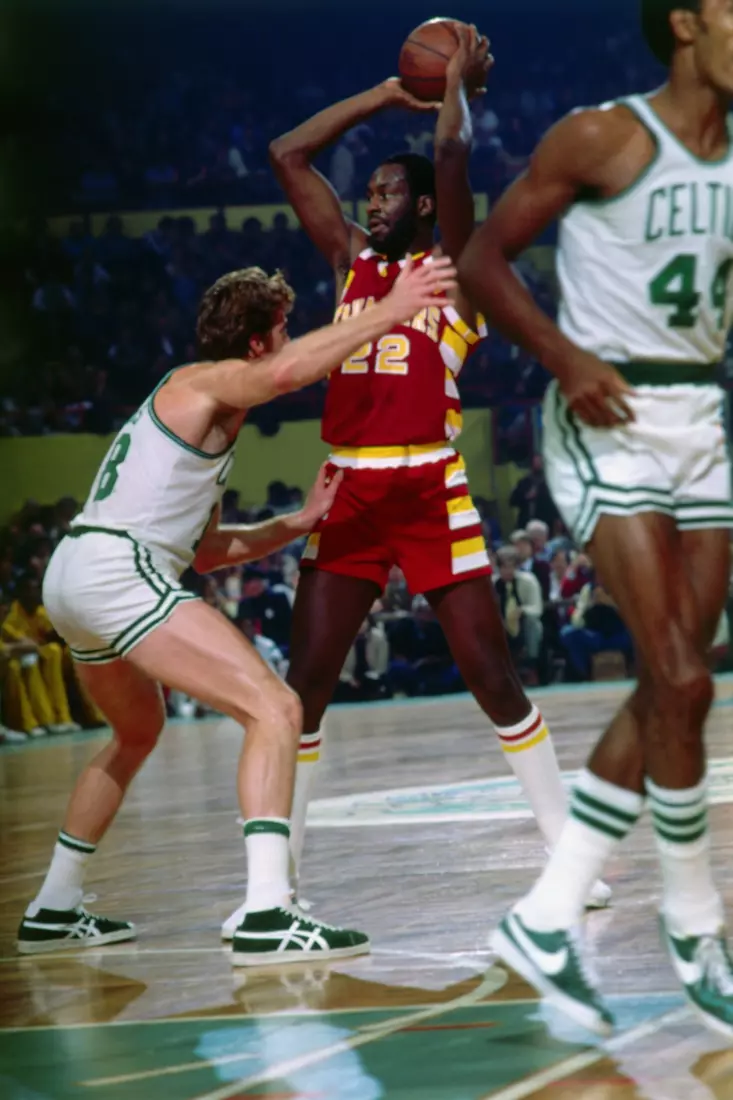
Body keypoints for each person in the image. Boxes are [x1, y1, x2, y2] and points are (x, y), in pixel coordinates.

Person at [222, 25, 609, 939]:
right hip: (351, 492)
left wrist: (451, 91)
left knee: (493, 678)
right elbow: (286, 155)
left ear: (426, 206)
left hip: (430, 488)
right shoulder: (349, 264)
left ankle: (570, 859)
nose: (374, 199)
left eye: (390, 191)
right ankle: (278, 887)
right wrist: (381, 96)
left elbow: (454, 156)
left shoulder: (456, 273)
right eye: (371, 192)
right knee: (302, 690)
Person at [16, 256, 455, 962]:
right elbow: (287, 374)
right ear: (257, 342)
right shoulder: (207, 381)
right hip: (117, 569)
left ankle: (53, 906)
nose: (290, 343)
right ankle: (268, 910)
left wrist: (300, 520)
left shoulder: (208, 415)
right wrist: (391, 310)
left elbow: (210, 552)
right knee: (276, 709)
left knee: (137, 731)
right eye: (284, 330)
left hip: (77, 573)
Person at [459, 0, 733, 1036]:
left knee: (677, 685)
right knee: (680, 676)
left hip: (698, 417)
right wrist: (563, 356)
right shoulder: (602, 134)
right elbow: (481, 258)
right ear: (684, 23)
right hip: (604, 414)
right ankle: (694, 925)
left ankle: (543, 918)